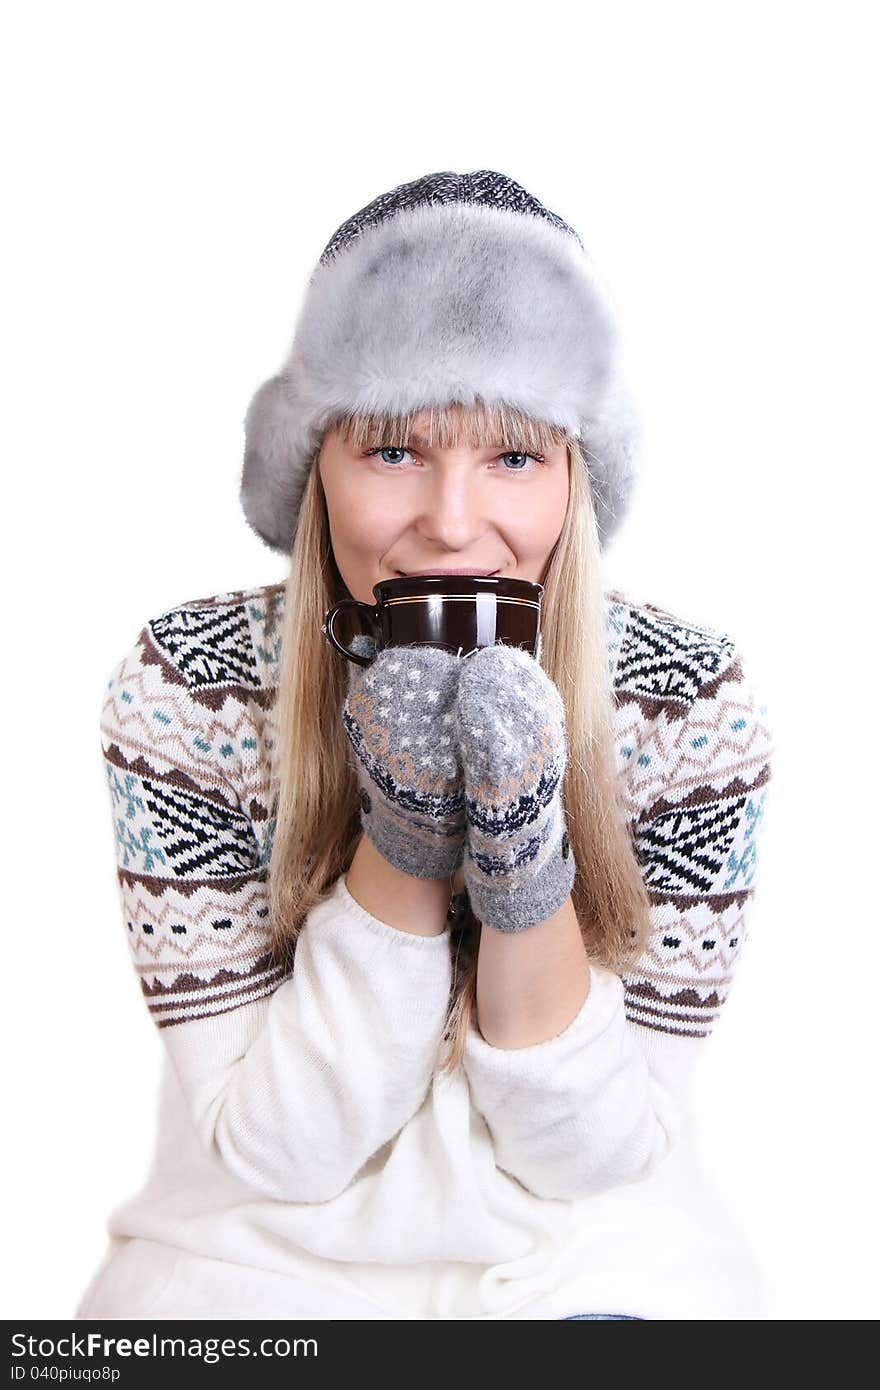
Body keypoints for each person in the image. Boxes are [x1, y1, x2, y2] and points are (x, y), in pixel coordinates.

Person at [76, 170, 773, 1322]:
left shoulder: (685, 700)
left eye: (511, 457)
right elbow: (281, 1152)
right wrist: (406, 830)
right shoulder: (193, 683)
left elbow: (590, 1156)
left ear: (573, 484)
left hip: (585, 1257)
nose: (452, 523)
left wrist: (516, 842)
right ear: (315, 473)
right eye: (394, 450)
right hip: (251, 1260)